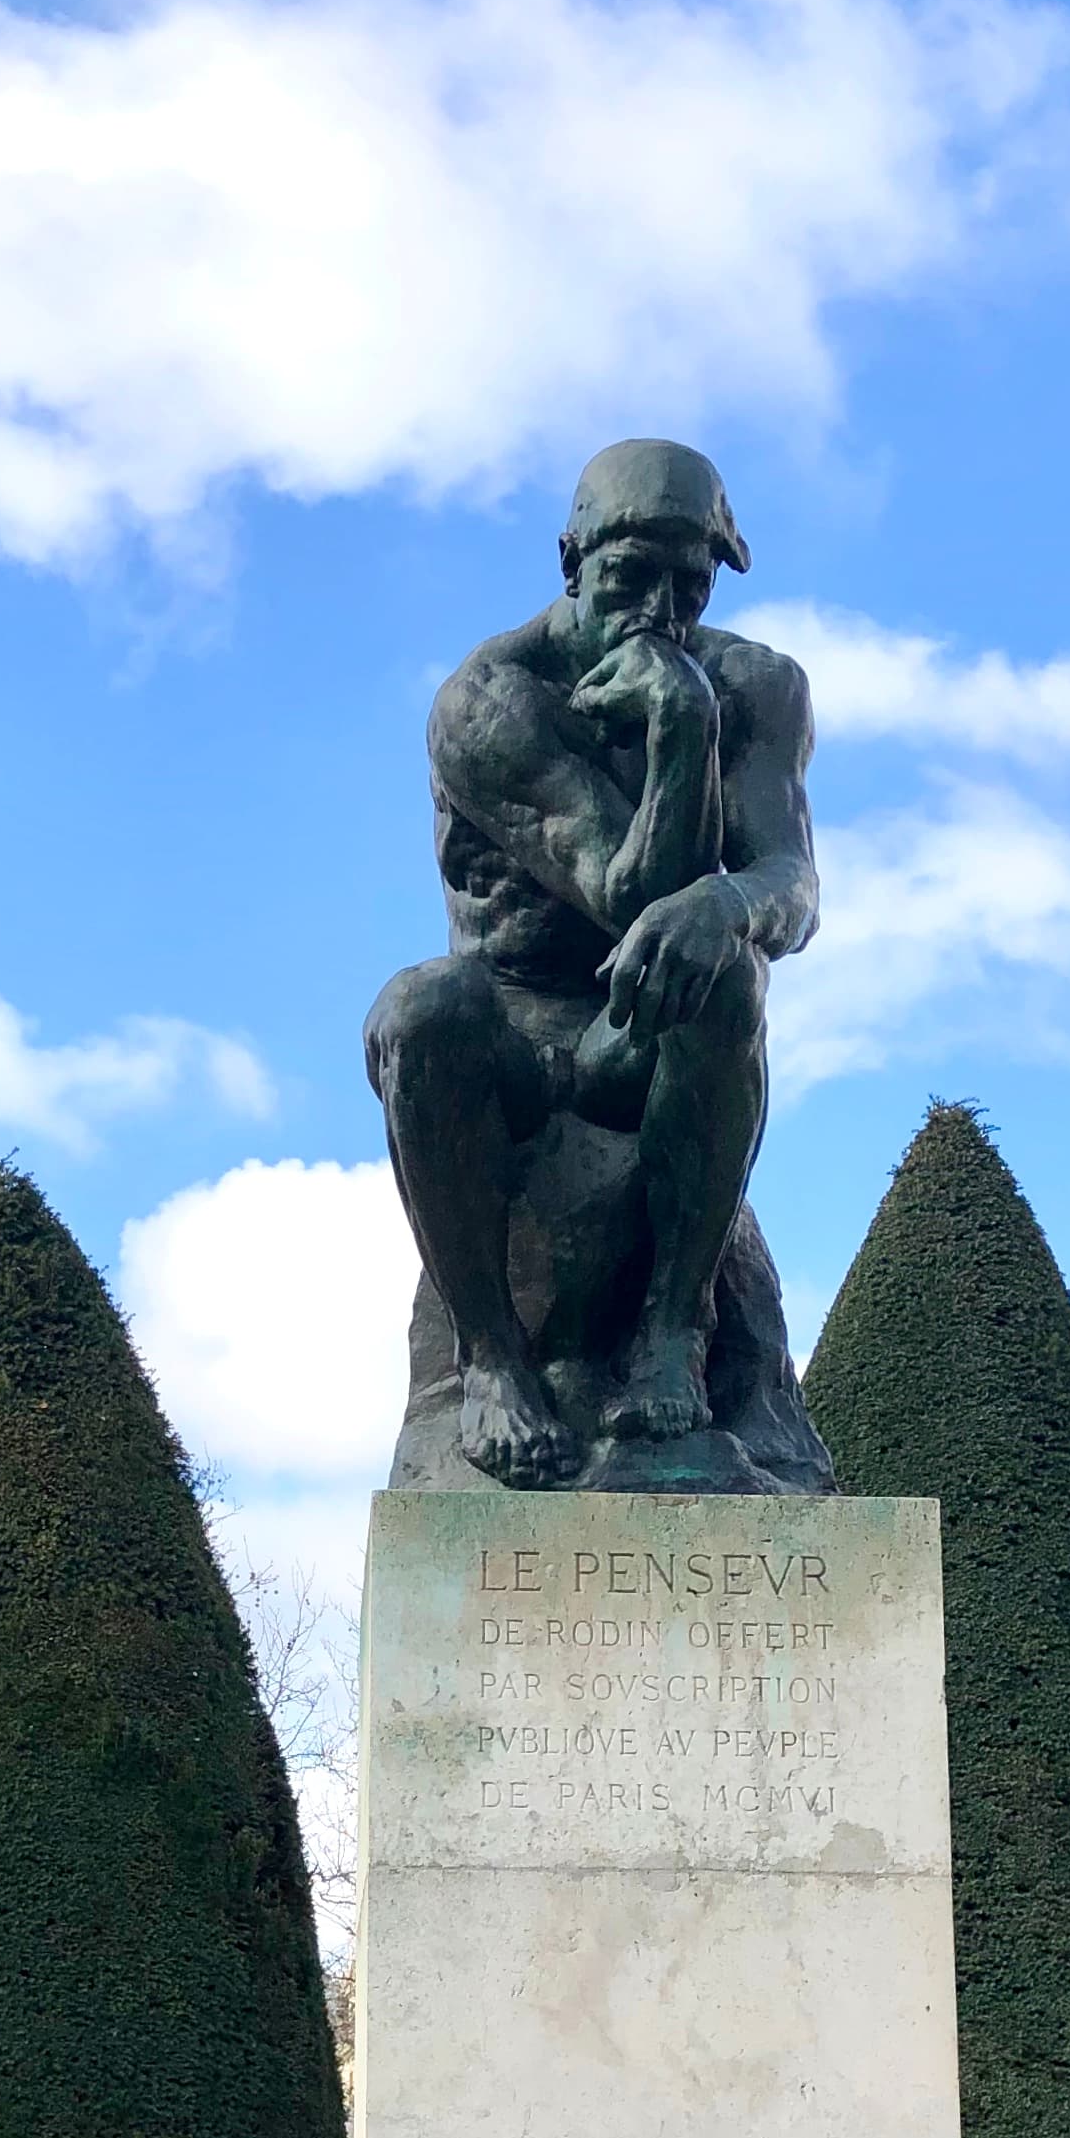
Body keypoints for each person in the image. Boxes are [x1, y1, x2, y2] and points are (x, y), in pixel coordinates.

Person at [365, 439, 818, 1486]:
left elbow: (789, 884)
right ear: (569, 560)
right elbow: (621, 889)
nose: (659, 609)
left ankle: (672, 1339)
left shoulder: (758, 685)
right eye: (627, 576)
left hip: (635, 1035)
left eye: (686, 583)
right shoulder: (487, 699)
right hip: (513, 1035)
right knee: (419, 1009)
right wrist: (676, 721)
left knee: (726, 972)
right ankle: (489, 1363)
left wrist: (727, 898)